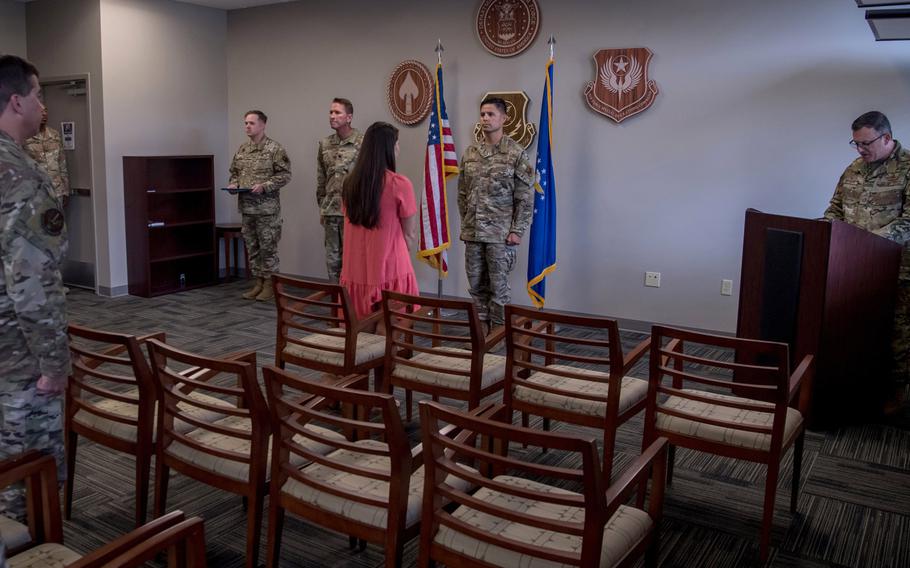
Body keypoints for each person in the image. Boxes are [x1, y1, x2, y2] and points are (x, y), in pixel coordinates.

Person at [0, 55, 70, 523]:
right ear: (16, 100)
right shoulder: (21, 177)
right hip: (19, 358)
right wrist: (54, 363)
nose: (43, 105)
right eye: (39, 95)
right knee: (26, 486)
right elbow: (31, 282)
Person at [825, 110, 910, 413]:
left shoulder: (908, 167)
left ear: (886, 138)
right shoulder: (853, 169)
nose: (860, 150)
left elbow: (909, 220)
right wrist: (828, 235)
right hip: (849, 269)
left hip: (897, 270)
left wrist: (869, 247)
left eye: (866, 143)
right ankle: (854, 390)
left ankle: (897, 396)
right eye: (855, 144)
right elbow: (834, 210)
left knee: (896, 336)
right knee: (852, 330)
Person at [457, 97, 534, 329]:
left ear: (504, 118)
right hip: (473, 234)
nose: (485, 119)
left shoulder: (516, 154)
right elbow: (462, 193)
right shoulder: (471, 153)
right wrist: (466, 224)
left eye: (491, 114)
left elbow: (525, 196)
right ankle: (480, 337)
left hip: (500, 236)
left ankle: (499, 340)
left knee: (498, 290)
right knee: (476, 288)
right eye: (482, 114)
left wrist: (517, 230)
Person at [339, 121, 418, 321]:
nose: (398, 148)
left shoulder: (349, 184)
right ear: (388, 148)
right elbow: (409, 234)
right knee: (390, 331)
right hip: (389, 267)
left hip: (355, 269)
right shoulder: (399, 184)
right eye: (397, 143)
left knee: (361, 333)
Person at [227, 110, 291, 301]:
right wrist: (233, 184)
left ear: (263, 125)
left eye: (252, 123)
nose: (247, 126)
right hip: (247, 209)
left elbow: (285, 175)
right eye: (246, 123)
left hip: (267, 211)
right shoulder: (242, 150)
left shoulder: (274, 149)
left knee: (268, 248)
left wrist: (265, 187)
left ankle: (270, 285)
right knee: (253, 248)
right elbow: (234, 173)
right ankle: (258, 283)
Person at [317, 98, 363, 282]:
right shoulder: (325, 144)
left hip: (353, 212)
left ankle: (352, 303)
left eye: (337, 112)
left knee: (353, 260)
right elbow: (321, 179)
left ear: (349, 117)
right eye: (331, 112)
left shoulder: (362, 142)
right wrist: (321, 206)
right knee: (332, 260)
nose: (332, 116)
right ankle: (337, 301)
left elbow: (367, 179)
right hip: (330, 211)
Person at [25, 102, 69, 206]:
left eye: (46, 111)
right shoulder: (25, 136)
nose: (44, 114)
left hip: (57, 191)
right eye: (40, 111)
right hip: (36, 193)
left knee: (57, 221)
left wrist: (66, 190)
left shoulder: (54, 135)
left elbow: (62, 164)